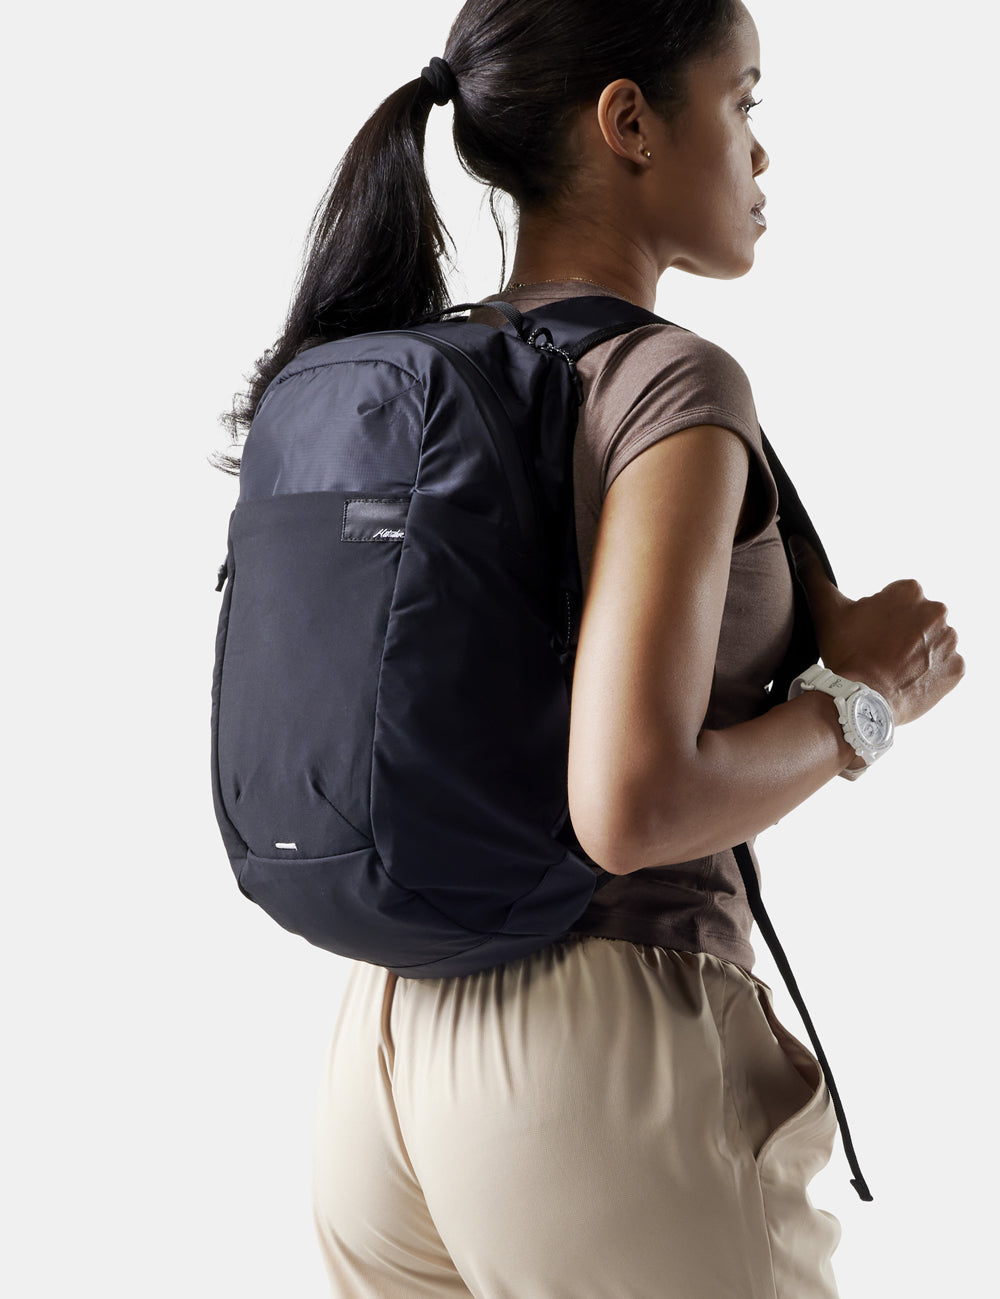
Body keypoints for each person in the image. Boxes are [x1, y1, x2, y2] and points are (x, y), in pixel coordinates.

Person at [216, 1, 964, 1294]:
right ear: (628, 121)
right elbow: (631, 805)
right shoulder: (666, 381)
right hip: (597, 1053)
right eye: (744, 103)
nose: (760, 153)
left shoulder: (442, 360)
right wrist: (868, 700)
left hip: (387, 1048)